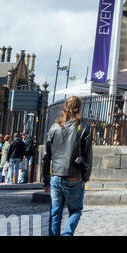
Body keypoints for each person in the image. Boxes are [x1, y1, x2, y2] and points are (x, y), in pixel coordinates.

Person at [42, 95, 92, 237]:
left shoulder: (54, 127)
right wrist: (85, 176)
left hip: (56, 176)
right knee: (75, 210)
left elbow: (46, 156)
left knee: (55, 212)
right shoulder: (84, 127)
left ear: (64, 107)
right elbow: (88, 155)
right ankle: (67, 234)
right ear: (79, 108)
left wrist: (45, 181)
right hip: (73, 176)